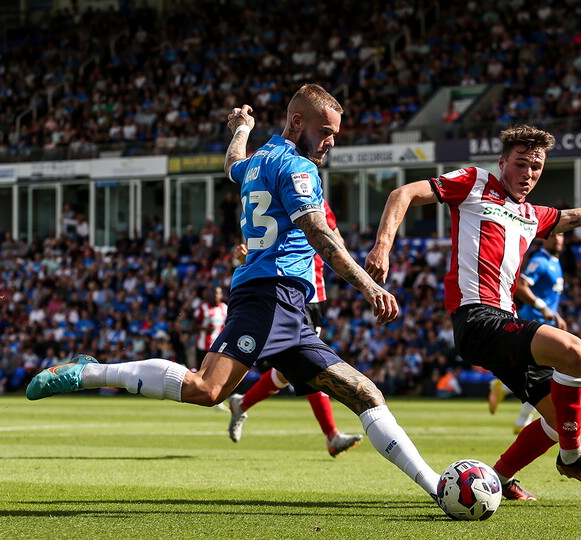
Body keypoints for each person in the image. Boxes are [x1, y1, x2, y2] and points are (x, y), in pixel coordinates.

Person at [26, 84, 444, 506]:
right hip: (270, 295)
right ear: (297, 122)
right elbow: (319, 233)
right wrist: (369, 285)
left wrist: (242, 129)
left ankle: (438, 488)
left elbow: (232, 165)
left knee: (365, 394)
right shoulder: (299, 168)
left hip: (289, 308)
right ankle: (90, 373)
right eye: (325, 130)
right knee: (207, 390)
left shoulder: (259, 159)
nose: (331, 140)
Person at [365, 124, 581, 500]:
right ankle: (573, 458)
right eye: (520, 164)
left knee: (560, 420)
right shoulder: (474, 182)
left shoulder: (534, 215)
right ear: (502, 163)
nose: (528, 174)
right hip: (477, 318)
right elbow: (403, 192)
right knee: (574, 351)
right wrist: (382, 246)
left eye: (536, 168)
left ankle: (500, 476)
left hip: (506, 322)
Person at [226, 200, 364, 458]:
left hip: (312, 294)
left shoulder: (317, 199)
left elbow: (337, 242)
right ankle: (332, 435)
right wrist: (247, 256)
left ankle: (241, 403)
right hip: (286, 289)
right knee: (308, 366)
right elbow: (256, 245)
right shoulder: (266, 195)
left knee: (289, 371)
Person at [489, 232, 567, 434]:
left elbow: (547, 298)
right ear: (543, 238)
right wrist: (542, 307)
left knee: (543, 373)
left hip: (545, 322)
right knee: (546, 374)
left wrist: (556, 315)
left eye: (561, 235)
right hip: (534, 323)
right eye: (554, 235)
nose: (558, 239)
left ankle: (503, 390)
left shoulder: (554, 262)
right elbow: (521, 286)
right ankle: (521, 420)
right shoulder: (539, 261)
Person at [193, 286, 227, 370]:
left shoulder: (225, 308)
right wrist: (206, 329)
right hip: (203, 345)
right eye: (214, 293)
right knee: (201, 370)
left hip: (217, 346)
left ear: (221, 295)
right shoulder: (203, 308)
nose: (215, 295)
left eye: (218, 293)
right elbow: (194, 326)